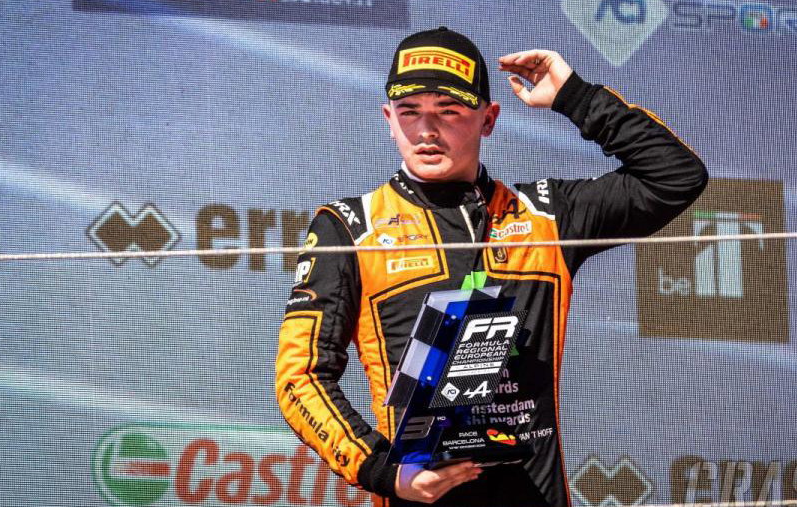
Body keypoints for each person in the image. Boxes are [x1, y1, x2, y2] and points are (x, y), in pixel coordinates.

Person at [276, 27, 707, 507]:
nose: (426, 130)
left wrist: (575, 97)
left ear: (489, 119)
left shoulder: (544, 216)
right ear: (389, 119)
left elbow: (676, 176)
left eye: (449, 110)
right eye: (410, 111)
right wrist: (383, 471)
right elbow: (301, 377)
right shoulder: (350, 228)